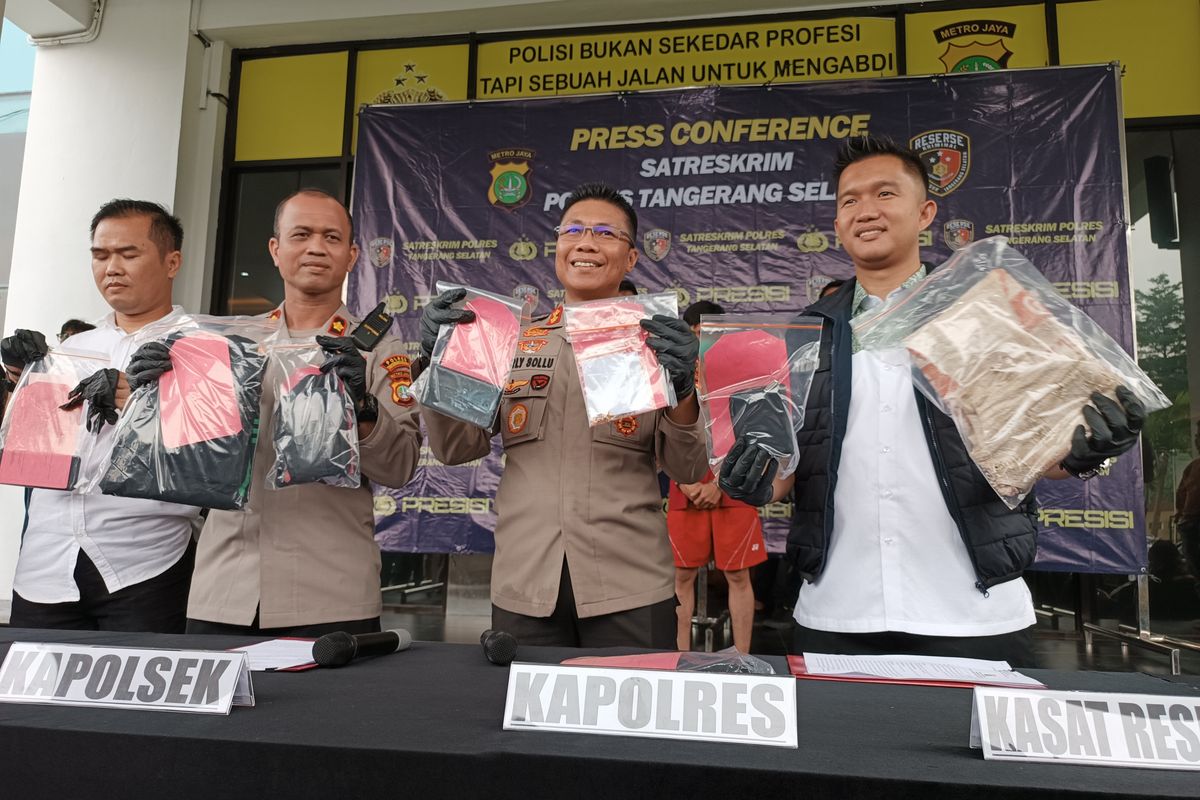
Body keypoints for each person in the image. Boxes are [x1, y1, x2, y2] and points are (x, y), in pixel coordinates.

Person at [720, 135, 1145, 666]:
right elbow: (783, 475)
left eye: (884, 194)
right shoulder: (801, 337)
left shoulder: (983, 315)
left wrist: (1086, 452)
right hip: (836, 613)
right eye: (849, 200)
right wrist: (753, 482)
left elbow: (1042, 455)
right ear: (836, 225)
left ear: (925, 213)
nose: (865, 210)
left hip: (975, 612)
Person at [422, 182, 707, 648]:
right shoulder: (511, 340)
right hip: (526, 585)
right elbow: (455, 447)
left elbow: (690, 468)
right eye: (573, 230)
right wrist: (439, 362)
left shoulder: (658, 345)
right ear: (557, 247)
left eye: (605, 233)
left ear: (632, 258)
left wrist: (682, 391)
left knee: (626, 721)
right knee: (526, 722)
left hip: (630, 585)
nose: (586, 242)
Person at [158, 188, 422, 637]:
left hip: (329, 591)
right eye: (301, 234)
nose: (316, 247)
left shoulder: (378, 348)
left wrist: (362, 409)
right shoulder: (229, 345)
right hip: (225, 588)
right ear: (275, 250)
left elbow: (400, 467)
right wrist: (156, 392)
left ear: (352, 254)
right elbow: (186, 462)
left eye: (331, 237)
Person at [3, 199, 201, 632]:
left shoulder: (205, 350)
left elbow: (216, 461)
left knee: (134, 699)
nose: (112, 267)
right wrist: (16, 385)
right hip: (45, 562)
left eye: (128, 254)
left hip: (146, 562)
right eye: (100, 255)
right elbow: (32, 456)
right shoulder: (67, 352)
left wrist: (144, 403)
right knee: (30, 699)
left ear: (173, 262)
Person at [668, 300, 766, 652]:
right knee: (681, 577)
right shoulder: (668, 375)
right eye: (695, 334)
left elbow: (757, 434)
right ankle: (678, 659)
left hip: (733, 487)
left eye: (710, 334)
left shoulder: (747, 374)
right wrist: (687, 482)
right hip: (686, 488)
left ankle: (743, 658)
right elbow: (657, 434)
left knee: (738, 575)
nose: (703, 341)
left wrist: (718, 486)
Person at [1174, 421, 1200, 579]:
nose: (1197, 441)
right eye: (1197, 437)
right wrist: (1182, 517)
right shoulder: (1193, 467)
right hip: (1190, 527)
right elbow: (1181, 495)